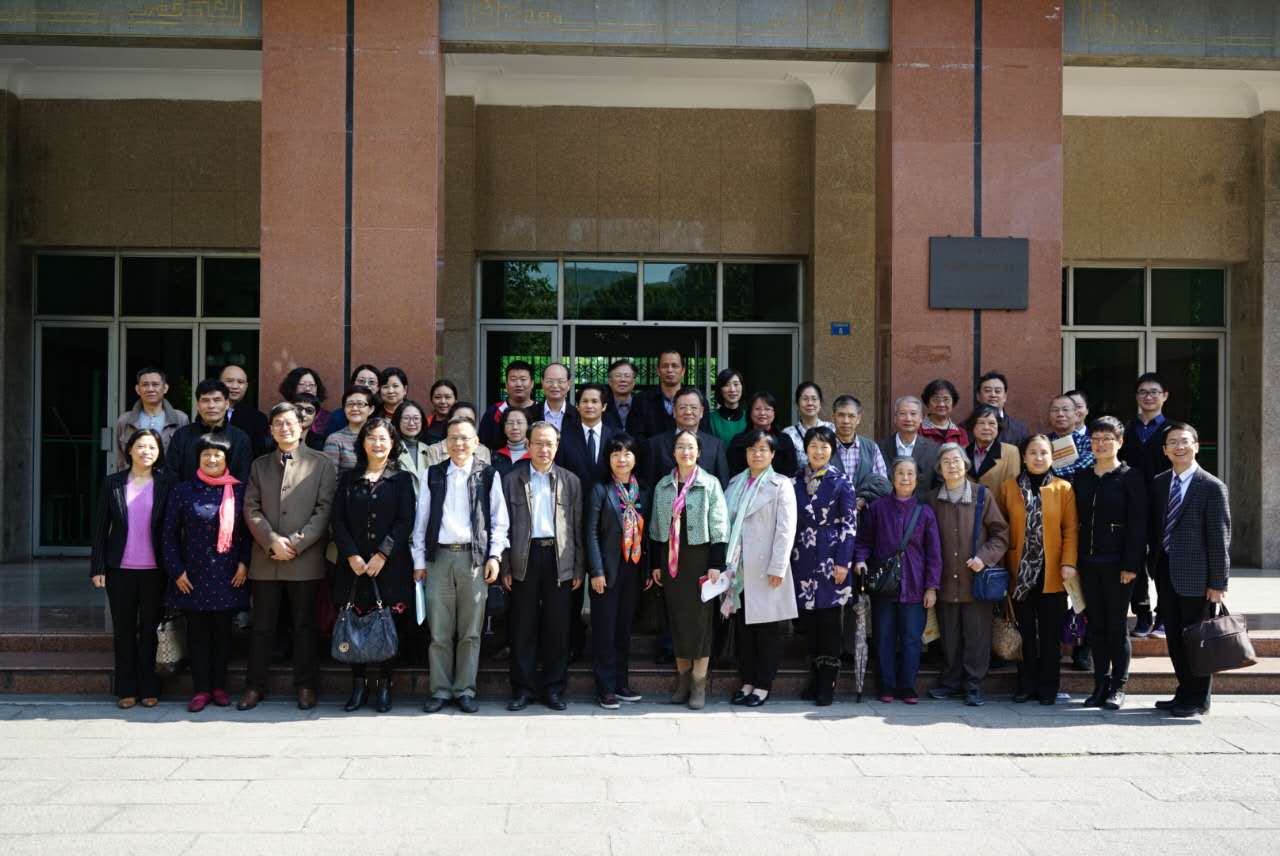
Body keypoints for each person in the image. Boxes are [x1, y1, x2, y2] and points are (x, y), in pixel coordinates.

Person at [240, 402, 337, 712]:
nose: (285, 428)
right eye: (278, 423)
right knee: (262, 627)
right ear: (270, 430)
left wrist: (295, 543)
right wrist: (271, 540)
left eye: (290, 423)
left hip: (304, 559)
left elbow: (324, 510)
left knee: (304, 626)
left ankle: (306, 685)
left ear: (302, 426)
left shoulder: (321, 464)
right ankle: (254, 686)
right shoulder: (259, 466)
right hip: (265, 558)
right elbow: (251, 508)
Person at [411, 415, 510, 713]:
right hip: (438, 558)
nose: (459, 443)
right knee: (439, 630)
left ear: (476, 442)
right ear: (445, 443)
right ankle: (440, 690)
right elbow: (421, 522)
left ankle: (465, 688)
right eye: (453, 438)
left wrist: (494, 556)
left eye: (465, 438)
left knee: (470, 631)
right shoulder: (433, 474)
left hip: (474, 558)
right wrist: (419, 561)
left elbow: (499, 520)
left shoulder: (488, 474)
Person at [331, 417, 416, 713]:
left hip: (390, 566)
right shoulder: (348, 478)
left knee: (387, 625)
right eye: (371, 437)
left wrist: (383, 554)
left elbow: (406, 520)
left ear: (392, 443)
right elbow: (337, 520)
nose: (377, 443)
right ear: (362, 442)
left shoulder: (401, 479)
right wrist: (351, 555)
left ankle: (384, 684)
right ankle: (358, 684)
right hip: (353, 566)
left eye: (383, 438)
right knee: (354, 622)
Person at [161, 433, 251, 712]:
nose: (212, 459)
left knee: (223, 635)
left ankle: (219, 687)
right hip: (192, 575)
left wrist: (244, 563)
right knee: (197, 635)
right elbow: (168, 534)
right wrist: (177, 571)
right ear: (197, 459)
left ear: (226, 459)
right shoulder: (183, 491)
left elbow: (247, 533)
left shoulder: (238, 491)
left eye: (217, 455)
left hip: (228, 574)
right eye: (206, 455)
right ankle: (201, 689)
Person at [1148, 423, 1230, 718]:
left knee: (1197, 640)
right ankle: (1184, 691)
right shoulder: (1159, 483)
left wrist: (1218, 583)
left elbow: (1219, 539)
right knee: (1174, 637)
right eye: (1172, 442)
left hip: (1198, 578)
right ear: (1165, 450)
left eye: (1184, 441)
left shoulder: (1211, 486)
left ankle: (1199, 698)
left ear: (1196, 446)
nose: (1179, 447)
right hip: (1165, 572)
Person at [502, 421, 585, 711]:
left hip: (558, 558)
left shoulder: (570, 481)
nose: (544, 449)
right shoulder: (511, 480)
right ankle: (523, 689)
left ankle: (554, 688)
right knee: (522, 625)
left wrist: (578, 568)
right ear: (528, 445)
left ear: (557, 446)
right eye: (538, 442)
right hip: (523, 557)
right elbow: (502, 527)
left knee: (557, 627)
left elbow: (577, 527)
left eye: (549, 443)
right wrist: (505, 567)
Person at [90, 429, 175, 709]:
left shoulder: (167, 483)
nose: (146, 452)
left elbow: (173, 528)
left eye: (152, 447)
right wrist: (97, 567)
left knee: (150, 629)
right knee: (124, 630)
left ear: (159, 452)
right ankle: (126, 688)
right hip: (120, 569)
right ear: (129, 450)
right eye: (140, 446)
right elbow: (100, 527)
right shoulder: (113, 483)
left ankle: (149, 687)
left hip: (156, 570)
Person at [995, 435, 1079, 705]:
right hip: (1019, 572)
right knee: (1026, 634)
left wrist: (1069, 562)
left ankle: (1048, 688)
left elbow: (1070, 529)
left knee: (1050, 635)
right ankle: (1026, 685)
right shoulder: (1008, 488)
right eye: (1033, 452)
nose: (1038, 457)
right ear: (1024, 457)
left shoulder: (1063, 488)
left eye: (1044, 452)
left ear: (1052, 457)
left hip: (1052, 572)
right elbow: (1000, 528)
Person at [649, 429, 729, 710]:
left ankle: (698, 683)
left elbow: (720, 525)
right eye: (681, 447)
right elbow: (655, 528)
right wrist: (655, 565)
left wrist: (716, 563)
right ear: (673, 452)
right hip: (672, 560)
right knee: (677, 620)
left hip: (700, 558)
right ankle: (682, 680)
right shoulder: (663, 485)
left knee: (700, 622)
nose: (686, 452)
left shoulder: (710, 483)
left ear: (699, 452)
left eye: (691, 447)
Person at [925, 443, 1009, 707]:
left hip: (976, 580)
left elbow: (1001, 533)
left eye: (957, 460)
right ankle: (951, 682)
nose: (952, 465)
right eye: (946, 461)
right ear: (939, 469)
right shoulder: (931, 499)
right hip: (944, 579)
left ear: (965, 464)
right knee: (949, 635)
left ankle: (974, 685)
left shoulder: (982, 495)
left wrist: (984, 557)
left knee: (976, 635)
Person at [1073, 416, 1148, 710]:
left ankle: (1119, 685)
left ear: (1120, 442)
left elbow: (1138, 526)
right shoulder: (1082, 477)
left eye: (1107, 439)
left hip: (1119, 566)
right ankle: (1100, 684)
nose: (1100, 444)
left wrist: (1131, 565)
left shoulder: (1131, 477)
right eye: (1095, 439)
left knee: (1116, 626)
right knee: (1096, 627)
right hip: (1087, 563)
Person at [855, 457, 941, 704]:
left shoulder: (925, 512)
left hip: (915, 585)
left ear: (916, 479)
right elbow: (864, 541)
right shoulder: (878, 508)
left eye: (910, 474)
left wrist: (931, 587)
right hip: (884, 585)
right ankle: (886, 685)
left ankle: (908, 686)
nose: (905, 478)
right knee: (884, 638)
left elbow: (934, 554)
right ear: (892, 477)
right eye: (900, 473)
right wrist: (860, 560)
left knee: (912, 639)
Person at [721, 430, 798, 708]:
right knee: (743, 630)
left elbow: (786, 529)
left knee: (766, 631)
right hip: (738, 569)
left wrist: (778, 566)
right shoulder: (735, 483)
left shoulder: (781, 485)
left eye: (763, 450)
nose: (757, 454)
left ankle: (763, 684)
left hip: (766, 567)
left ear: (773, 454)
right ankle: (747, 681)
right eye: (752, 449)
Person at [792, 426, 857, 706]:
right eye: (813, 446)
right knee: (809, 623)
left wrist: (843, 562)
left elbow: (849, 525)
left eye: (824, 447)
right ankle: (814, 679)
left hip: (831, 557)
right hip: (802, 556)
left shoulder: (842, 481)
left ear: (832, 450)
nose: (818, 452)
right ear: (805, 449)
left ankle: (827, 685)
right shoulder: (795, 480)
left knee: (829, 622)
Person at [585, 433, 649, 709]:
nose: (622, 459)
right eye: (616, 454)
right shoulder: (600, 489)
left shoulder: (642, 490)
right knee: (605, 631)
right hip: (607, 571)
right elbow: (590, 533)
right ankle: (605, 688)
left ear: (635, 458)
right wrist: (596, 571)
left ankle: (621, 683)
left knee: (623, 630)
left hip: (633, 569)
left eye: (627, 453)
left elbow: (648, 534)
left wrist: (647, 570)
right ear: (608, 459)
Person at [556, 383, 614, 661]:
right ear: (576, 406)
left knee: (605, 589)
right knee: (572, 589)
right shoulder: (564, 437)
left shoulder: (615, 437)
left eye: (595, 401)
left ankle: (603, 649)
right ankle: (573, 645)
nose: (589, 405)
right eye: (584, 401)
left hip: (607, 524)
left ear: (604, 406)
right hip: (572, 520)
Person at [1121, 372, 1172, 639]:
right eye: (1143, 392)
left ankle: (1164, 616)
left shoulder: (1173, 431)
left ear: (1165, 396)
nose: (1148, 396)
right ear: (1136, 397)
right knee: (1135, 559)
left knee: (1162, 561)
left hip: (1165, 504)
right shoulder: (1126, 430)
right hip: (1131, 505)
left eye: (1154, 392)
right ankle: (1142, 615)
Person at [165, 379, 252, 483]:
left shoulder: (241, 439)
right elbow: (171, 477)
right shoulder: (181, 436)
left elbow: (243, 479)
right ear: (198, 405)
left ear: (227, 404)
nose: (211, 406)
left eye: (217, 400)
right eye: (205, 400)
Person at [642, 387, 730, 489]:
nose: (688, 412)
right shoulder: (655, 445)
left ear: (701, 412)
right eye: (683, 407)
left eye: (694, 407)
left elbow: (723, 486)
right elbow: (648, 487)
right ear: (674, 411)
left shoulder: (716, 446)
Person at [114, 367, 188, 471]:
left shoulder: (180, 419)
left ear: (165, 388)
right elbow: (121, 458)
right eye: (145, 385)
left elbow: (185, 456)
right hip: (135, 479)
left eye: (155, 384)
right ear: (138, 389)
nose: (150, 389)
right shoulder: (125, 420)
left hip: (169, 479)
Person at [829, 394, 890, 510]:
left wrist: (863, 500)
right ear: (833, 417)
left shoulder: (871, 447)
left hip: (865, 515)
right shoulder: (824, 447)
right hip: (831, 516)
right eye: (841, 415)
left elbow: (883, 485)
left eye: (851, 416)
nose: (846, 421)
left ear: (858, 419)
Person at [877, 395, 940, 496]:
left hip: (922, 505)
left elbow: (937, 487)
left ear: (921, 418)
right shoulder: (879, 448)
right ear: (895, 418)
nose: (908, 418)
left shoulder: (934, 450)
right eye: (902, 413)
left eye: (913, 414)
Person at [727, 391, 797, 479]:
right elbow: (732, 471)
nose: (762, 413)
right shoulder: (738, 440)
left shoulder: (784, 440)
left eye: (767, 409)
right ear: (750, 412)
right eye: (757, 409)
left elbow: (790, 471)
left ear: (774, 413)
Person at [480, 360, 535, 451]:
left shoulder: (542, 410)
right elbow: (483, 445)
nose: (518, 384)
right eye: (513, 379)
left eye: (523, 379)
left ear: (532, 383)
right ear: (506, 384)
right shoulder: (494, 412)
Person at [966, 404, 1020, 493]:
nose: (986, 428)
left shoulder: (1011, 452)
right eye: (981, 423)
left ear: (998, 426)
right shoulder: (962, 451)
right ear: (973, 426)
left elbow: (1012, 491)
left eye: (991, 423)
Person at [221, 363, 271, 456]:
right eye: (229, 381)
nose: (235, 386)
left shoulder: (258, 418)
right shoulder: (209, 413)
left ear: (246, 386)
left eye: (240, 382)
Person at [324, 385, 376, 472]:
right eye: (350, 404)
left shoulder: (379, 438)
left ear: (371, 409)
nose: (354, 408)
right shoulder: (335, 440)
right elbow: (330, 476)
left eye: (360, 404)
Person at [425, 402, 493, 467]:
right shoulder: (435, 450)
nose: (463, 424)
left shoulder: (483, 451)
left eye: (469, 420)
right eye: (459, 419)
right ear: (449, 421)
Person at [322, 363, 380, 437]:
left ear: (378, 387)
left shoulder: (382, 413)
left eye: (371, 382)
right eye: (361, 381)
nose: (366, 385)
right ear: (353, 384)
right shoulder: (338, 417)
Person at [976, 370, 1031, 448]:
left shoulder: (1019, 430)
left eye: (997, 391)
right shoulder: (965, 427)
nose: (993, 395)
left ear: (1005, 396)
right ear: (978, 396)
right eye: (988, 391)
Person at [1047, 393, 1093, 482]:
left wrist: (1047, 472)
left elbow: (1081, 466)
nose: (1060, 414)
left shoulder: (1088, 442)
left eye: (1065, 409)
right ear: (1049, 415)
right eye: (1055, 410)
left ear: (1076, 415)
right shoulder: (1043, 442)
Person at [782, 382, 834, 459]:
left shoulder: (831, 429)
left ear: (820, 403)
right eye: (805, 399)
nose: (810, 403)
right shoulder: (788, 434)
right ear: (798, 404)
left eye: (814, 399)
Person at [642, 350, 688, 437]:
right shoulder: (642, 400)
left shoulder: (697, 400)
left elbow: (704, 435)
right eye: (665, 366)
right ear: (658, 371)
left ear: (683, 371)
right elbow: (636, 436)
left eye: (675, 366)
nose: (670, 370)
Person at [524, 362, 578, 436]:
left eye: (560, 381)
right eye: (549, 381)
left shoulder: (578, 415)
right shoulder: (528, 414)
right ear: (542, 383)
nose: (555, 385)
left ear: (568, 384)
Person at [279, 366, 332, 438]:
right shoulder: (280, 414)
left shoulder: (327, 418)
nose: (307, 389)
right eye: (302, 384)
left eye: (311, 385)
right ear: (292, 386)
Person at [603, 358, 648, 441]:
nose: (623, 380)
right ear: (610, 381)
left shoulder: (644, 404)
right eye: (618, 376)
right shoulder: (602, 405)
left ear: (634, 381)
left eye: (627, 376)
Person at [393, 400, 431, 493]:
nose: (411, 423)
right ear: (398, 420)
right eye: (406, 418)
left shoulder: (429, 450)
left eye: (416, 418)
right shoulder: (390, 449)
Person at [920, 379, 969, 446]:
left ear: (953, 403)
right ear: (927, 403)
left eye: (946, 399)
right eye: (936, 399)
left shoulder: (961, 433)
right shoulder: (918, 430)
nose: (941, 404)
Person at [707, 368, 746, 447]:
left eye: (736, 384)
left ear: (742, 387)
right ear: (720, 389)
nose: (732, 389)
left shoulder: (749, 418)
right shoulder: (711, 419)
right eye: (727, 385)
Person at [492, 406, 530, 476]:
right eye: (510, 423)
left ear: (527, 426)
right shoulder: (495, 456)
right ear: (504, 428)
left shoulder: (535, 455)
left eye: (519, 422)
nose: (515, 427)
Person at [424, 380, 457, 444]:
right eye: (438, 397)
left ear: (455, 400)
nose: (443, 401)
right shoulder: (425, 423)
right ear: (431, 400)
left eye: (448, 397)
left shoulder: (462, 424)